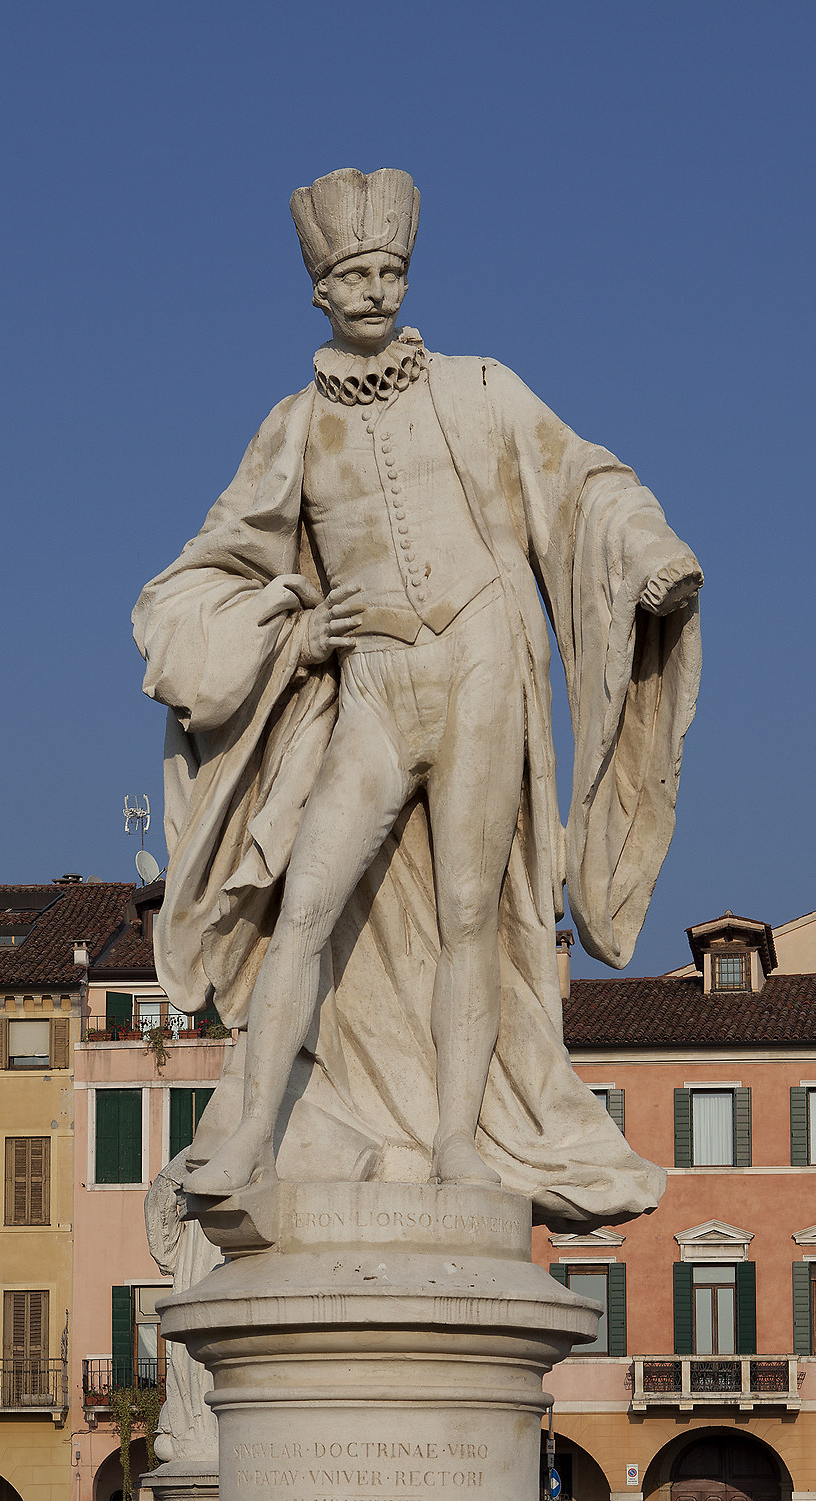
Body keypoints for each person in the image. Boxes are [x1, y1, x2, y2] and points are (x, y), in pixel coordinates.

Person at [139, 166, 700, 1227]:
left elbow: (583, 480)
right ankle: (254, 1133)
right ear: (318, 291)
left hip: (484, 661)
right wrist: (298, 632)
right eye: (354, 273)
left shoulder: (483, 387)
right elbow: (202, 575)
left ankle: (454, 1142)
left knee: (466, 916)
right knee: (302, 907)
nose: (375, 289)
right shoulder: (292, 426)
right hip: (376, 684)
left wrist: (648, 554)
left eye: (390, 269)